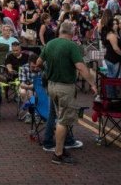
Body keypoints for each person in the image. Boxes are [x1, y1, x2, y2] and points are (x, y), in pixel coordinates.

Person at [36, 21, 96, 165]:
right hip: (65, 87)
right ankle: (58, 153)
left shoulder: (50, 44)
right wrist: (92, 83)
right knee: (63, 120)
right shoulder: (71, 46)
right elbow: (81, 67)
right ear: (72, 33)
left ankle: (60, 148)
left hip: (51, 85)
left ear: (60, 31)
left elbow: (38, 62)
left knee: (58, 116)